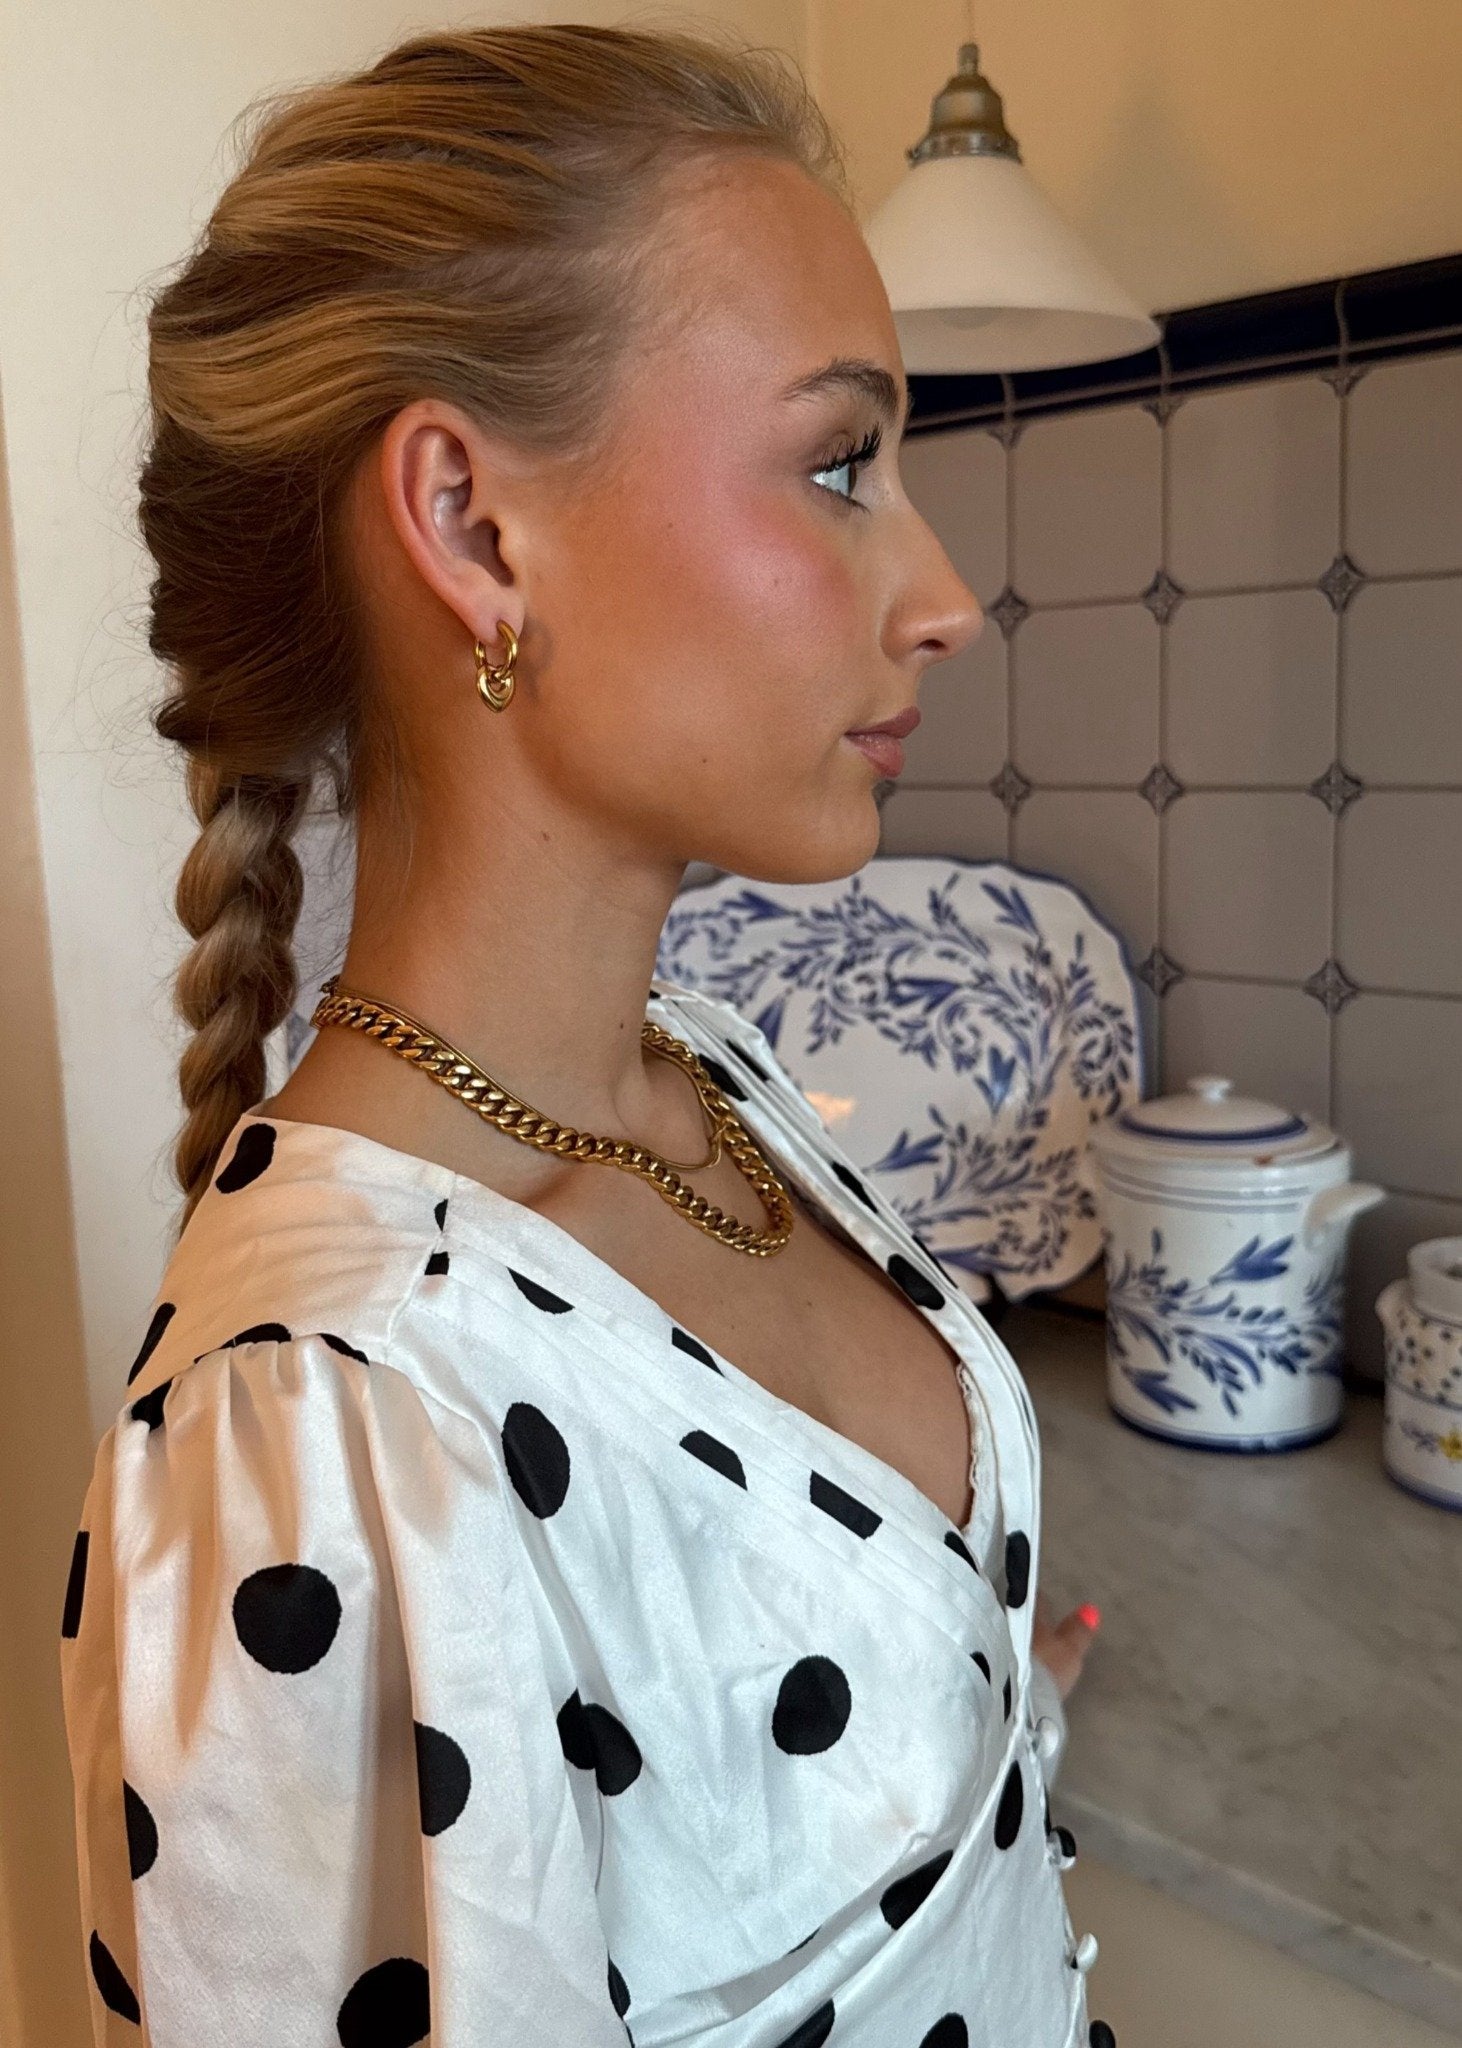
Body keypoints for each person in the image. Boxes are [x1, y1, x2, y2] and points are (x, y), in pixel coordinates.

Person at [57, 23, 1107, 2047]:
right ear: (471, 525)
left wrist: (970, 1708)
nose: (941, 595)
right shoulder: (327, 1424)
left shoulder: (709, 1079)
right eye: (839, 464)